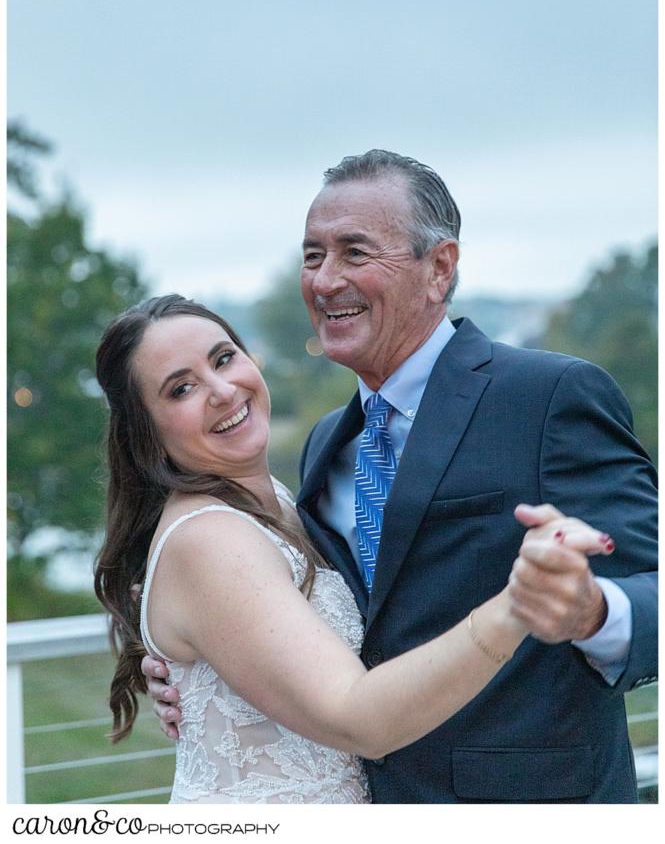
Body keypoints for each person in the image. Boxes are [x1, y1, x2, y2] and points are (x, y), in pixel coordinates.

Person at [143, 150, 658, 803]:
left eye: (354, 253)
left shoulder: (548, 396)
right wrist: (196, 667)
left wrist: (591, 611)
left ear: (439, 268)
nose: (325, 280)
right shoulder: (328, 442)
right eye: (311, 256)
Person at [95, 294, 609, 805]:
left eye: (224, 358)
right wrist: (517, 605)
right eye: (181, 389)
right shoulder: (208, 539)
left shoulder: (276, 498)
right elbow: (357, 716)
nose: (223, 390)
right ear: (147, 433)